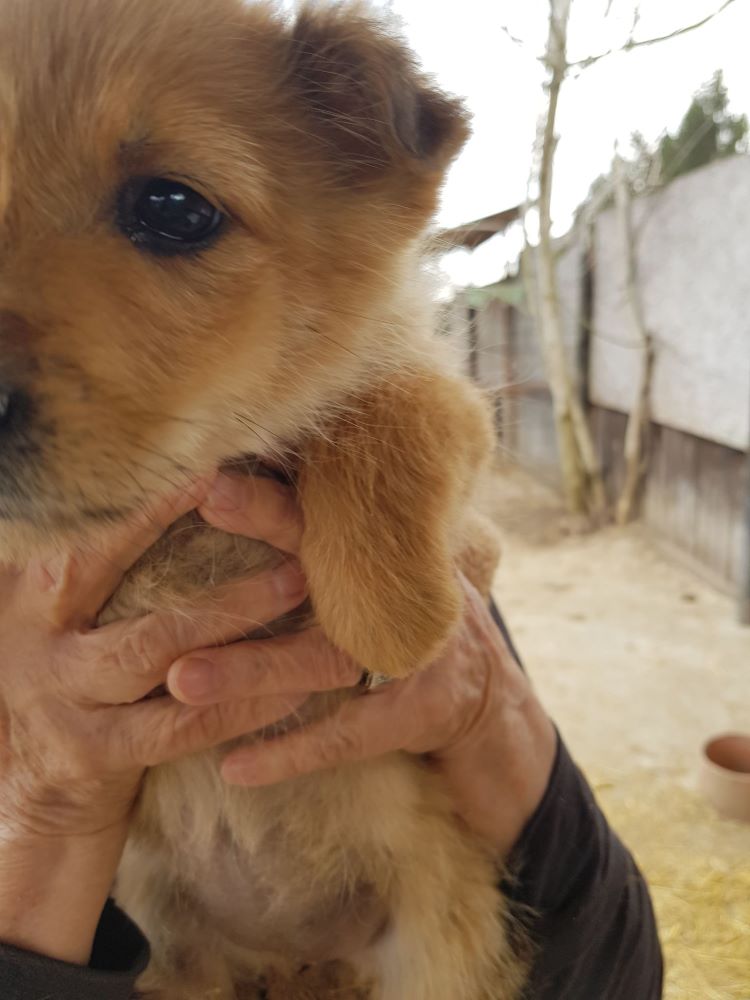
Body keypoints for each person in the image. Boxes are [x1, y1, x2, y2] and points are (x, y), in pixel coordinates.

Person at [0, 472, 663, 1000]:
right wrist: (47, 807)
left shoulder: (350, 454)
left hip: (406, 917)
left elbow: (623, 976)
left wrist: (487, 711)